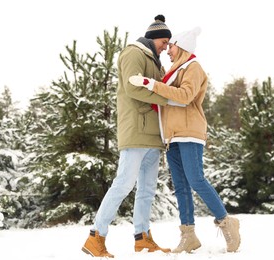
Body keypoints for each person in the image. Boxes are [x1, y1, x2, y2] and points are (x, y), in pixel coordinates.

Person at [129, 27, 241, 253]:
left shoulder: (193, 67)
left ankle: (227, 223)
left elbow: (186, 95)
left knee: (196, 179)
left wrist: (151, 84)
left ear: (181, 45)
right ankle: (188, 235)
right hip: (172, 136)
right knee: (180, 186)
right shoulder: (174, 70)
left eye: (171, 46)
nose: (168, 51)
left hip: (189, 132)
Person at [82, 15, 173, 258]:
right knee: (123, 184)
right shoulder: (133, 53)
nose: (166, 47)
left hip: (153, 134)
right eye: (165, 42)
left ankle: (142, 238)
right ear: (154, 38)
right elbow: (134, 88)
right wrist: (167, 99)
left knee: (147, 190)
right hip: (136, 130)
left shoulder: (155, 60)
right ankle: (95, 237)